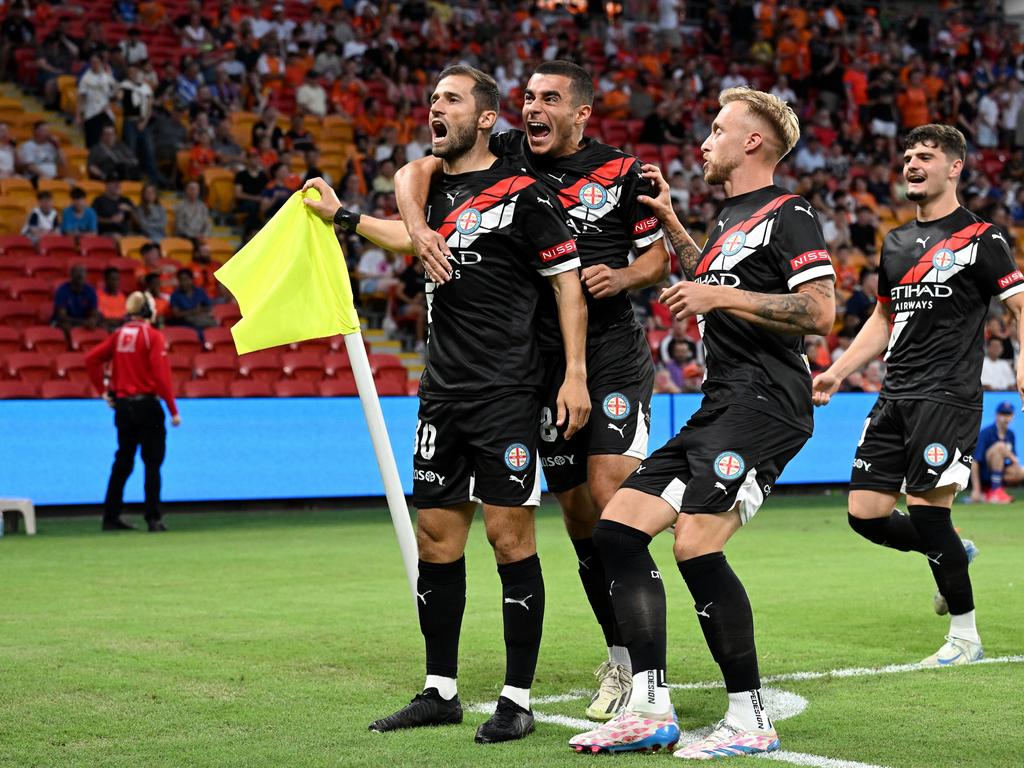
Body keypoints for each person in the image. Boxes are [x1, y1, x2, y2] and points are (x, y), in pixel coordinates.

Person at [302, 64, 590, 744]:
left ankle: (517, 698)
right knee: (437, 540)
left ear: (486, 117)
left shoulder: (526, 195)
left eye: (451, 100)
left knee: (508, 537)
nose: (436, 108)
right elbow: (413, 237)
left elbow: (568, 286)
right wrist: (343, 215)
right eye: (432, 99)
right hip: (442, 394)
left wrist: (574, 374)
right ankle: (441, 689)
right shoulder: (431, 192)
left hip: (506, 394)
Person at [395, 60, 670, 721]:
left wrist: (625, 276)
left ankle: (644, 673)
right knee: (580, 522)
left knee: (609, 497)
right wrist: (411, 221)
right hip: (535, 361)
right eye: (527, 99)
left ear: (582, 113)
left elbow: (661, 259)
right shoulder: (509, 153)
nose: (534, 109)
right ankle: (620, 654)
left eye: (549, 99)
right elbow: (420, 169)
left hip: (603, 357)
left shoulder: (626, 172)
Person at [570, 87, 835, 757]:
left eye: (719, 130)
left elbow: (821, 312)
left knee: (694, 546)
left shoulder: (790, 213)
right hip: (721, 404)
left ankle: (749, 720)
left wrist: (717, 293)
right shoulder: (728, 217)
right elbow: (707, 277)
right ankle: (651, 706)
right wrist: (673, 227)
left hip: (766, 403)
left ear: (753, 142)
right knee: (619, 531)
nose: (705, 141)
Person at [813, 125, 1024, 672]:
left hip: (947, 396)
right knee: (866, 514)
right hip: (893, 394)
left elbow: (1019, 306)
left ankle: (965, 637)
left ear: (954, 167)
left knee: (931, 517)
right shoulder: (896, 242)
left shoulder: (984, 238)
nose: (912, 163)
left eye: (925, 156)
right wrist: (836, 372)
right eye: (908, 156)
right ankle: (955, 549)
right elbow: (884, 317)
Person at [85, 291, 181, 532]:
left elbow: (91, 359)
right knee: (152, 462)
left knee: (123, 461)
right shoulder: (152, 336)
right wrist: (173, 410)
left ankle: (110, 516)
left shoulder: (119, 334)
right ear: (148, 311)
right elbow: (161, 376)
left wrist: (103, 391)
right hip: (147, 405)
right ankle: (153, 518)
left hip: (124, 406)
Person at [971, 401, 1024, 505]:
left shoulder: (1010, 435)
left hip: (999, 473)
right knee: (1000, 446)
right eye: (1003, 414)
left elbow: (1013, 463)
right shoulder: (986, 433)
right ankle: (993, 492)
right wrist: (976, 489)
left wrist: (1013, 460)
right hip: (984, 474)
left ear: (1012, 416)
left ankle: (994, 491)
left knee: (1021, 471)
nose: (1005, 418)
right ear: (996, 415)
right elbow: (975, 461)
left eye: (1008, 414)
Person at [53, 264, 100, 332]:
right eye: (77, 273)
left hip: (83, 321)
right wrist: (83, 322)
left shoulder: (90, 291)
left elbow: (93, 312)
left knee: (99, 325)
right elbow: (62, 317)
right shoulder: (62, 290)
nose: (80, 274)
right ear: (71, 275)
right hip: (64, 322)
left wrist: (93, 320)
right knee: (65, 326)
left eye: (82, 272)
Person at [169, 268, 215, 333]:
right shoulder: (175, 295)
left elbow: (209, 306)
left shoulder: (200, 291)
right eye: (181, 280)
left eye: (186, 279)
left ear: (192, 279)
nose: (183, 283)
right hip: (185, 323)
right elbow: (176, 315)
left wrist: (201, 310)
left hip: (201, 318)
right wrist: (194, 311)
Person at [97, 266, 127, 331]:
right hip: (106, 326)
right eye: (112, 279)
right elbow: (100, 316)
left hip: (120, 326)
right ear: (105, 280)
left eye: (117, 279)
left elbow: (124, 316)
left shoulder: (122, 296)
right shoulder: (98, 295)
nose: (115, 282)